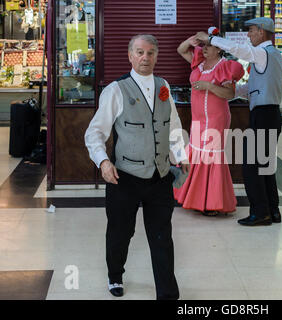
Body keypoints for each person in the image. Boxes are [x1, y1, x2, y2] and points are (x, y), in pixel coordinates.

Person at [84, 34, 190, 299]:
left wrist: (180, 153)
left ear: (156, 56)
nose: (145, 58)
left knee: (162, 237)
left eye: (151, 53)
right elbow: (94, 132)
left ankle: (168, 294)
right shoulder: (116, 90)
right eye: (140, 52)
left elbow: (173, 125)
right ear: (130, 56)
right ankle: (115, 275)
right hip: (125, 178)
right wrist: (103, 161)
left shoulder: (163, 85)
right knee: (121, 233)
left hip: (161, 176)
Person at [196, 17, 282, 227]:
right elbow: (255, 89)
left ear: (262, 32)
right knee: (265, 166)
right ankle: (273, 210)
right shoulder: (272, 56)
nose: (248, 34)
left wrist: (212, 39)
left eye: (251, 30)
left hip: (263, 115)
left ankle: (260, 212)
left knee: (251, 166)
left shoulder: (263, 53)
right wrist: (234, 89)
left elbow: (239, 50)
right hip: (271, 114)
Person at [174, 27, 244, 216]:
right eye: (203, 45)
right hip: (198, 118)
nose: (204, 48)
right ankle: (194, 198)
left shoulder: (225, 66)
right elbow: (181, 50)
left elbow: (229, 94)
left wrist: (209, 86)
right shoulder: (199, 63)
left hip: (216, 119)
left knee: (210, 156)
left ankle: (211, 202)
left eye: (209, 45)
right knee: (196, 153)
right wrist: (193, 40)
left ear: (219, 48)